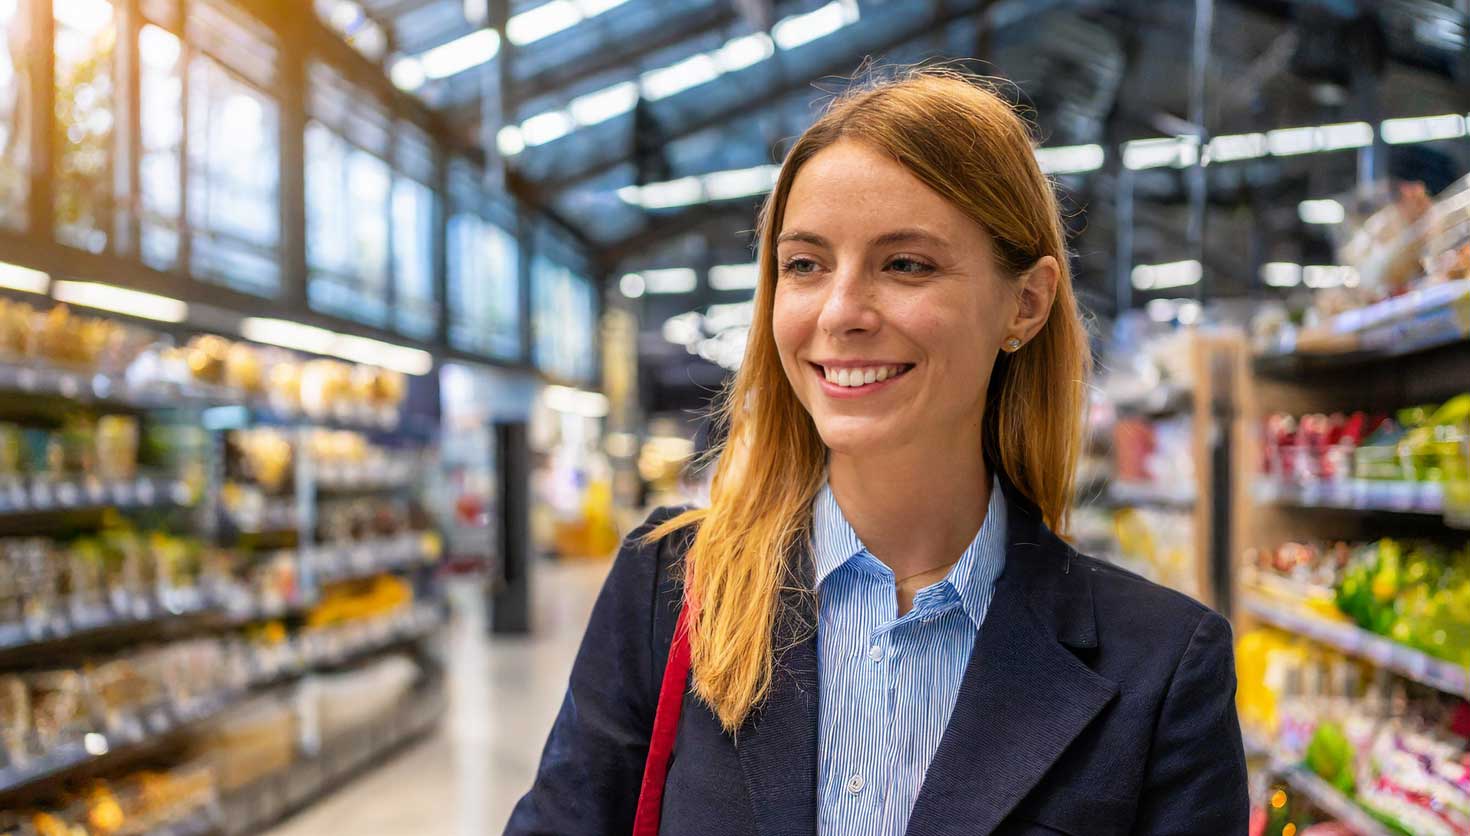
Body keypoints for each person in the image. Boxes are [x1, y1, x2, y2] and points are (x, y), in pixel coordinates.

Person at [506, 68, 1249, 836]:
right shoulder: (671, 591)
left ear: (1024, 303)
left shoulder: (1160, 667)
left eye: (907, 264)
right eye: (805, 265)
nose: (840, 312)